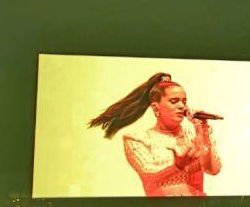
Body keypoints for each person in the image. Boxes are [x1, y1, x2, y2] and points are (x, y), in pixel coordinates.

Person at [89, 72, 221, 197]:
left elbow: (213, 169)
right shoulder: (138, 139)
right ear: (156, 108)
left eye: (184, 101)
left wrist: (202, 128)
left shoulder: (195, 135)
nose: (182, 106)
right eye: (174, 101)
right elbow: (149, 172)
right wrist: (177, 165)